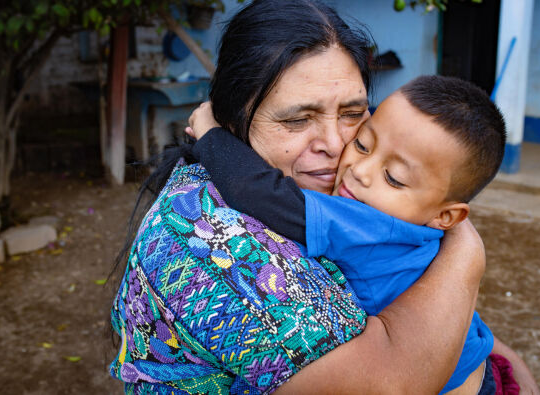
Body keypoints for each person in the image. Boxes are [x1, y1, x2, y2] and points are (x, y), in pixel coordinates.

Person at [109, 0, 537, 394]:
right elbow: (390, 383)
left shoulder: (352, 197)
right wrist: (466, 255)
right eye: (297, 120)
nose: (336, 145)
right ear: (231, 119)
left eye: (353, 114)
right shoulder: (214, 243)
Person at [186, 75, 518, 394]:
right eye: (362, 144)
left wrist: (210, 135)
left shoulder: (369, 222)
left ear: (446, 216)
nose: (360, 170)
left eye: (395, 178)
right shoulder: (424, 227)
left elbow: (262, 195)